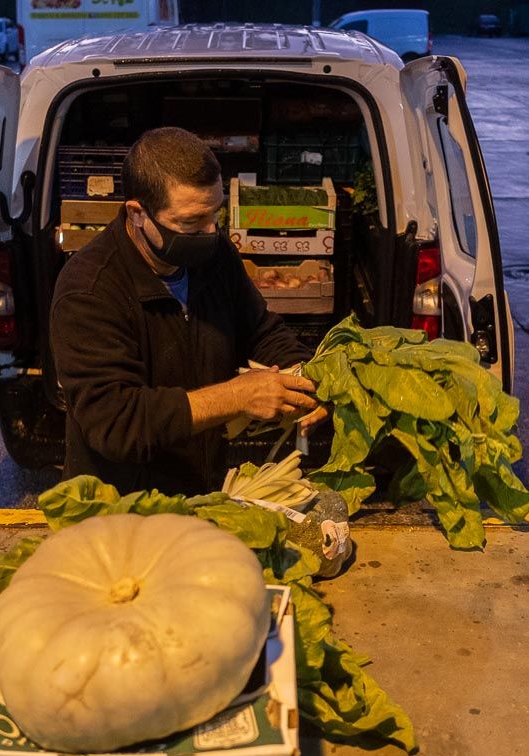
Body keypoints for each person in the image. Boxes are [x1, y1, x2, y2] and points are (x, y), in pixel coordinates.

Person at [50, 127, 327, 496]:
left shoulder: (215, 255)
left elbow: (260, 330)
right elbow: (116, 422)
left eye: (215, 214)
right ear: (137, 213)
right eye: (191, 223)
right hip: (121, 511)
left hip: (202, 493)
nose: (210, 231)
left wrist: (304, 378)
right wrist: (237, 396)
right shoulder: (89, 290)